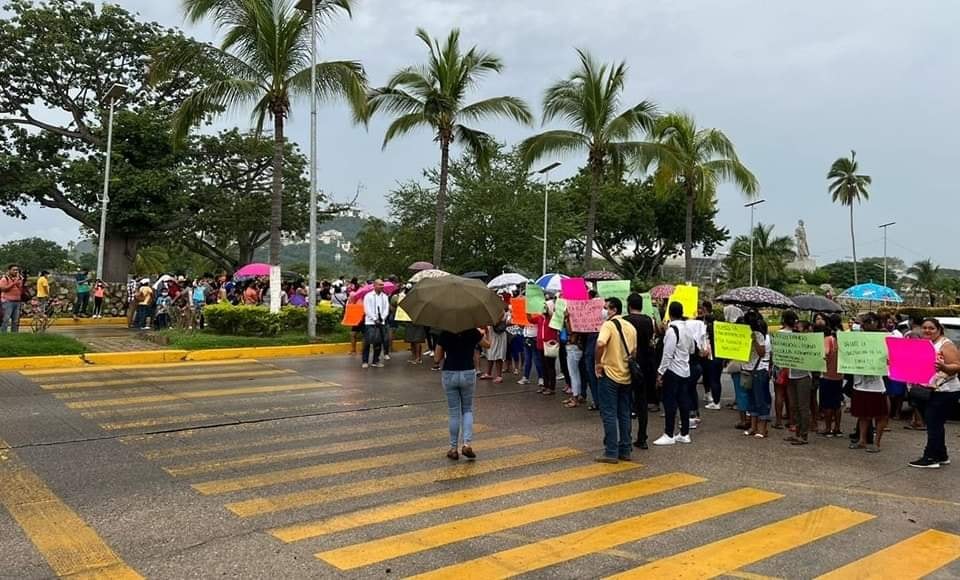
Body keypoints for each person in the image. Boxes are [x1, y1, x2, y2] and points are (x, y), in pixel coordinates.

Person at [909, 318, 960, 468]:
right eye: (924, 328)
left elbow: (957, 366)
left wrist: (943, 367)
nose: (927, 331)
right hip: (929, 390)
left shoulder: (946, 345)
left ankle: (930, 457)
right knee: (935, 424)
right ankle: (941, 455)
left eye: (931, 328)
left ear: (939, 330)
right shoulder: (925, 344)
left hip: (945, 391)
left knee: (933, 424)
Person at [594, 297, 637, 463]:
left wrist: (598, 363)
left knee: (609, 414)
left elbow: (600, 343)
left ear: (613, 310)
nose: (604, 311)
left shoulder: (608, 325)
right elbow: (634, 353)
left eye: (606, 308)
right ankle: (625, 449)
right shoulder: (631, 327)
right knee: (624, 413)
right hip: (626, 375)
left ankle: (611, 451)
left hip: (609, 375)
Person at [435, 327, 486, 460]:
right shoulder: (472, 332)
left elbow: (436, 358)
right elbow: (488, 345)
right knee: (467, 410)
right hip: (468, 372)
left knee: (453, 412)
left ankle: (453, 449)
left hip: (450, 373)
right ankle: (467, 444)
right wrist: (485, 333)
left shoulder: (445, 332)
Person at [654, 301, 695, 446]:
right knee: (684, 402)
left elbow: (667, 354)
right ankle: (684, 433)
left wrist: (660, 373)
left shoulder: (672, 330)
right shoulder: (687, 329)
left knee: (670, 402)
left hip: (672, 370)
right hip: (685, 370)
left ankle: (669, 433)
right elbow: (692, 349)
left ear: (669, 313)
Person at [849, 313, 889, 453]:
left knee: (880, 415)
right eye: (864, 322)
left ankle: (877, 443)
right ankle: (862, 440)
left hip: (877, 385)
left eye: (869, 321)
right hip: (860, 384)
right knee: (863, 415)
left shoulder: (885, 338)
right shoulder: (856, 338)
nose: (866, 324)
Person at [624, 293, 655, 449]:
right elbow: (651, 339)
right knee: (642, 402)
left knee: (625, 401)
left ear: (629, 305)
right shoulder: (648, 320)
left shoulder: (624, 321)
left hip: (628, 364)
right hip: (645, 366)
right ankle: (642, 437)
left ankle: (626, 438)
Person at [780, 310, 813, 445]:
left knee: (803, 406)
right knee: (794, 405)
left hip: (804, 376)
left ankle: (803, 435)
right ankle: (797, 431)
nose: (795, 328)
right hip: (792, 375)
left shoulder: (809, 342)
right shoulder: (792, 340)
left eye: (798, 327)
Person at [742, 310, 772, 438]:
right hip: (747, 369)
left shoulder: (759, 335)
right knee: (751, 400)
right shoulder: (743, 334)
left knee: (761, 400)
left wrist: (754, 340)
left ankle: (762, 428)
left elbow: (761, 352)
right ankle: (753, 427)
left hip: (758, 370)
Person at [818, 313, 844, 437]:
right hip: (839, 375)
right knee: (837, 404)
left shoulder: (829, 339)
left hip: (827, 375)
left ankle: (828, 429)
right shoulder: (843, 338)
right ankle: (837, 428)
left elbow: (825, 353)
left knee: (827, 404)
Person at [361, 279, 390, 369]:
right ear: (374, 285)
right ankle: (365, 361)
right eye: (380, 285)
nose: (382, 286)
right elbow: (367, 309)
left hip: (381, 322)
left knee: (378, 342)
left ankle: (375, 361)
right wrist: (374, 318)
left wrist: (382, 318)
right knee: (367, 342)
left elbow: (386, 308)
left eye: (382, 285)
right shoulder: (368, 296)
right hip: (370, 322)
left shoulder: (384, 296)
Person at [481, 304, 509, 383]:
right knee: (490, 354)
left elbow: (495, 321)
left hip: (498, 335)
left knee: (498, 355)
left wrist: (488, 320)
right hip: (492, 335)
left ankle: (499, 376)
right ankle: (489, 373)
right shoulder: (491, 311)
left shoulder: (501, 311)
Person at [0, 264, 24, 333]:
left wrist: (19, 282)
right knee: (6, 319)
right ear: (9, 271)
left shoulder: (19, 279)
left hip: (17, 301)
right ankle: (3, 333)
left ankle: (14, 334)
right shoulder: (4, 279)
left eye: (17, 270)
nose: (16, 271)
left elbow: (21, 290)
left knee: (16, 320)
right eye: (14, 270)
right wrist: (14, 283)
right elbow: (3, 289)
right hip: (7, 302)